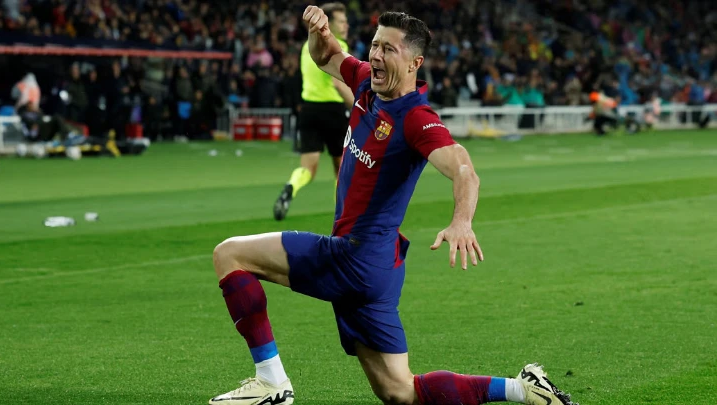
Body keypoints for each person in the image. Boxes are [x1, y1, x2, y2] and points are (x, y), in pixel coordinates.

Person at [208, 6, 578, 405]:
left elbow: (464, 169)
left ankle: (271, 381)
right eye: (374, 45)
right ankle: (522, 389)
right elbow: (324, 54)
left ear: (415, 62)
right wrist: (317, 30)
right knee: (401, 392)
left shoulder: (416, 119)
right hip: (379, 270)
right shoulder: (366, 81)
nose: (376, 55)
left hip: (354, 257)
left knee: (230, 255)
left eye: (389, 49)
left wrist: (461, 221)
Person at [273, 2, 355, 221]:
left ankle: (291, 186)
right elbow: (339, 84)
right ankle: (342, 214)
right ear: (327, 23)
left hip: (308, 110)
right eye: (341, 21)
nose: (346, 25)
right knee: (341, 166)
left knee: (307, 167)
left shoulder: (306, 47)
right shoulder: (339, 46)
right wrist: (358, 105)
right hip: (333, 111)